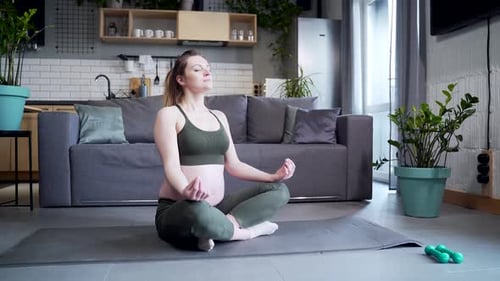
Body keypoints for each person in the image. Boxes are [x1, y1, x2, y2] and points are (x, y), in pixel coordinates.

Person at [154, 49, 295, 251]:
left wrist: (273, 176)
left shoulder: (219, 116)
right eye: (197, 69)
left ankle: (217, 228)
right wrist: (187, 191)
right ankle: (246, 232)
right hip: (181, 207)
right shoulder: (169, 115)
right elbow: (171, 166)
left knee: (279, 190)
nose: (206, 72)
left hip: (218, 208)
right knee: (197, 212)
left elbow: (234, 165)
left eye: (208, 69)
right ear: (181, 79)